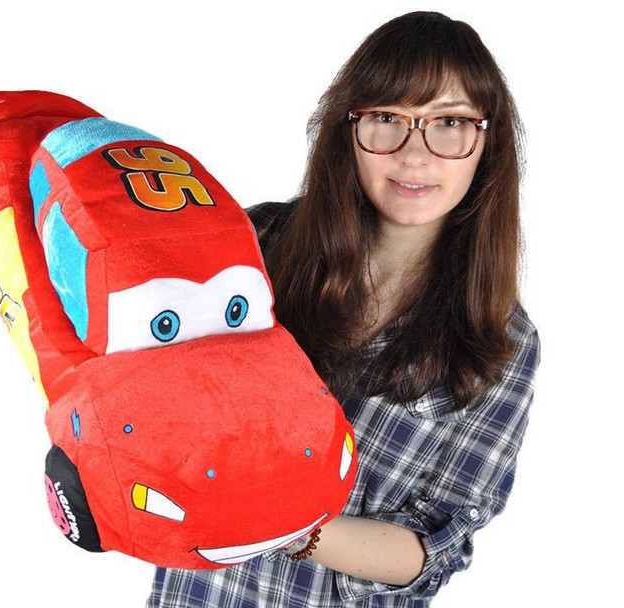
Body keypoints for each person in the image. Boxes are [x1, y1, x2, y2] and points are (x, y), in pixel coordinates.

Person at [146, 11, 540, 608]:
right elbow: (149, 388)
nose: (415, 155)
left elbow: (438, 543)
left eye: (450, 123)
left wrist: (282, 526)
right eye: (387, 118)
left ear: (488, 142)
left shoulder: (502, 339)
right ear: (348, 129)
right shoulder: (253, 245)